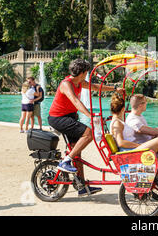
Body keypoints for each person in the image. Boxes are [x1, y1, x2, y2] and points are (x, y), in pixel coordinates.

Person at [48, 59, 124, 197]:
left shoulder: (79, 82)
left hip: (69, 117)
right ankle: (65, 161)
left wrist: (114, 89)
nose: (87, 74)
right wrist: (90, 115)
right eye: (86, 72)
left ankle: (81, 186)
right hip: (58, 118)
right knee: (88, 133)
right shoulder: (66, 84)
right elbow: (76, 101)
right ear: (82, 73)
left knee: (77, 150)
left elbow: (94, 87)